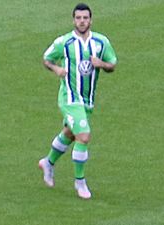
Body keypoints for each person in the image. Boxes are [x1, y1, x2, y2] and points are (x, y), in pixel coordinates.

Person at [39, 3, 117, 199]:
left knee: (71, 133)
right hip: (69, 98)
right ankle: (80, 182)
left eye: (85, 18)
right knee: (84, 136)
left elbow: (112, 64)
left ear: (91, 20)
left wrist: (102, 64)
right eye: (78, 18)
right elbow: (46, 59)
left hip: (87, 100)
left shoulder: (101, 42)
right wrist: (56, 69)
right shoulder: (64, 42)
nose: (82, 21)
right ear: (73, 20)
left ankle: (48, 162)